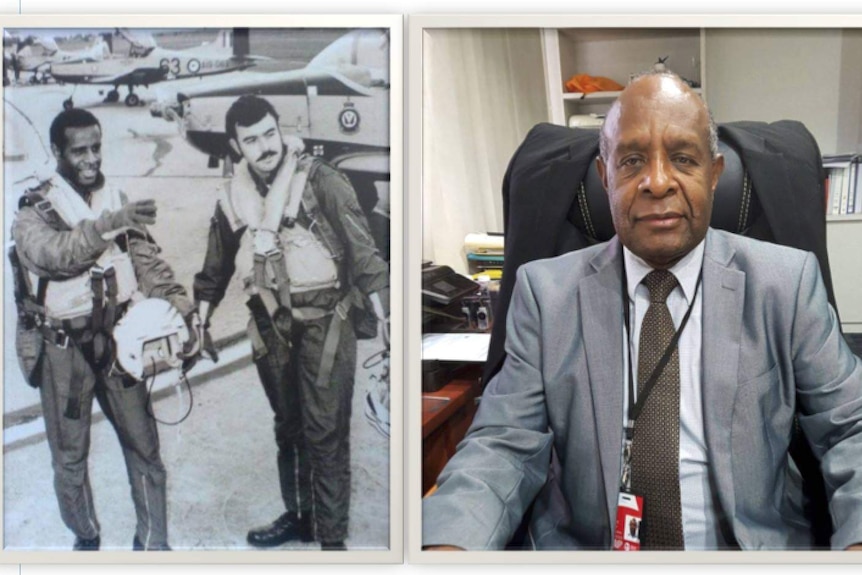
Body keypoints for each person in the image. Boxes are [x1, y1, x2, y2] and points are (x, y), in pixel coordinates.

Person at [422, 72, 862, 551]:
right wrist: (450, 546)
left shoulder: (785, 283)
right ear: (605, 176)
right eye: (632, 161)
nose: (657, 182)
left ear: (713, 175)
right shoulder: (545, 294)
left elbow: (851, 427)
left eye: (682, 159)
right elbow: (500, 446)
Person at [193, 95, 389, 551]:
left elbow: (365, 255)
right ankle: (300, 517)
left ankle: (332, 542)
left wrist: (387, 321)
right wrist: (201, 323)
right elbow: (215, 266)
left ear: (280, 129)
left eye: (269, 133)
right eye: (251, 140)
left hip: (327, 322)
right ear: (235, 145)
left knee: (326, 434)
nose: (264, 146)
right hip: (271, 326)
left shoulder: (322, 181)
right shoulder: (234, 195)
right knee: (289, 427)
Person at [10, 108, 200, 551]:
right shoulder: (32, 212)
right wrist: (111, 223)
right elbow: (59, 256)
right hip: (65, 352)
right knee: (70, 462)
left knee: (146, 451)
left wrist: (182, 312)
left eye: (97, 147)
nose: (92, 158)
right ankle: (87, 536)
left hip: (118, 343)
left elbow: (148, 264)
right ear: (57, 152)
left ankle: (153, 548)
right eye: (80, 151)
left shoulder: (114, 197)